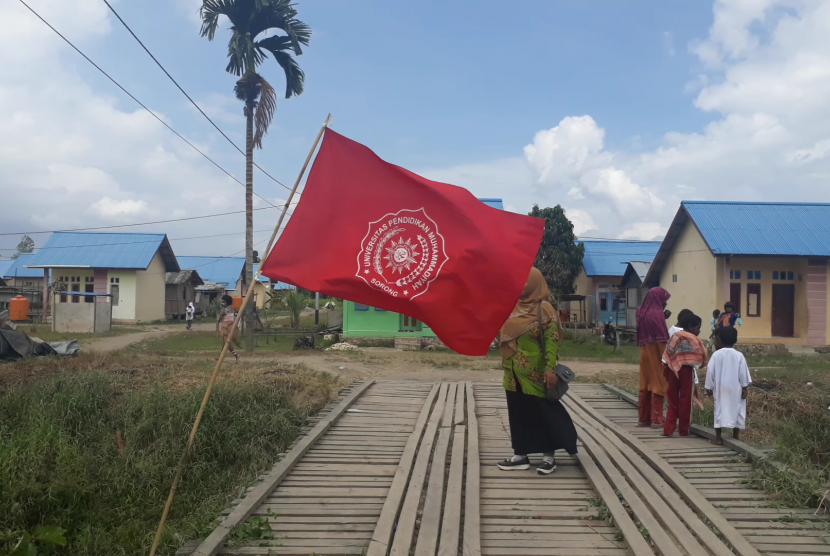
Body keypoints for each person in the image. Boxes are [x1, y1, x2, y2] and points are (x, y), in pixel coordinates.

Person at [497, 268, 578, 475]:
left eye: (525, 281)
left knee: (542, 414)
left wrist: (550, 369)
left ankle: (548, 458)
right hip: (513, 373)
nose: (521, 285)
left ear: (535, 283)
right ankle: (520, 455)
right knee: (518, 413)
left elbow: (551, 343)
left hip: (537, 373)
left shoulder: (545, 309)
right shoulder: (513, 307)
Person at [662, 313, 708, 437]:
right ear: (690, 326)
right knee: (686, 400)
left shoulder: (675, 336)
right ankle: (683, 430)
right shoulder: (694, 339)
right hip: (687, 372)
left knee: (673, 399)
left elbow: (667, 355)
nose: (699, 331)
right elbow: (702, 355)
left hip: (674, 370)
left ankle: (668, 429)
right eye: (697, 327)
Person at [705, 327, 751, 445]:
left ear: (719, 339)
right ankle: (735, 435)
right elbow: (743, 373)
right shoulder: (739, 355)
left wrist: (708, 386)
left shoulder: (716, 355)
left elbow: (710, 372)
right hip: (736, 388)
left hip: (721, 388)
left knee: (719, 409)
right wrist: (745, 387)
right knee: (738, 409)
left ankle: (718, 438)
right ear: (735, 339)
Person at [635, 287, 671, 428]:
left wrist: (663, 315)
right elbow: (661, 337)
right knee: (658, 382)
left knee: (645, 383)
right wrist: (667, 355)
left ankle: (643, 419)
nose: (665, 304)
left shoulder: (641, 311)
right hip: (656, 351)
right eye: (664, 302)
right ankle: (657, 419)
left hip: (644, 351)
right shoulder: (657, 314)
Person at [216, 294, 240, 362]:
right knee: (224, 344)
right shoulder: (233, 310)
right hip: (232, 327)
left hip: (226, 327)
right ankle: (221, 358)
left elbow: (218, 319)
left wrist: (218, 318)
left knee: (226, 343)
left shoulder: (223, 310)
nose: (222, 303)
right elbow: (236, 317)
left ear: (226, 302)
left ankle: (236, 355)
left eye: (223, 302)